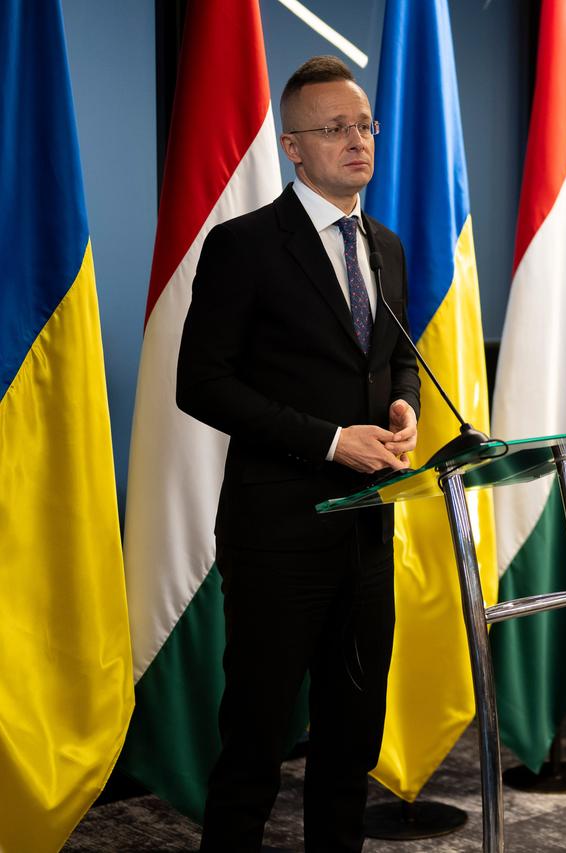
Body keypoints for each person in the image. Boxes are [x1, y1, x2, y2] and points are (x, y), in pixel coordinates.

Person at [176, 56, 420, 851]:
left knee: (350, 741)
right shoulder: (244, 246)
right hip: (278, 533)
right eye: (335, 129)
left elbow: (392, 354)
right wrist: (327, 440)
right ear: (293, 146)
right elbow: (201, 383)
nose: (357, 141)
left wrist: (402, 404)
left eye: (364, 126)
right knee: (254, 743)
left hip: (366, 535)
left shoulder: (385, 244)